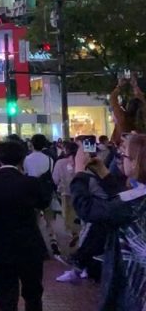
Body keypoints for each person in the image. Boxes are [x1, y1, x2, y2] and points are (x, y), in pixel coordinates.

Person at [72, 133, 146, 310]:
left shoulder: (132, 204)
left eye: (124, 156)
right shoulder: (137, 198)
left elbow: (87, 209)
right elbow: (122, 199)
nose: (121, 160)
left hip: (133, 288)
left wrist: (79, 172)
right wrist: (103, 173)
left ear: (135, 162)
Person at [0, 139, 52, 311]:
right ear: (22, 159)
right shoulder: (31, 183)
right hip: (29, 245)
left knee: (6, 296)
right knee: (33, 294)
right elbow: (43, 202)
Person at [24, 133, 61, 258]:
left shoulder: (27, 159)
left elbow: (26, 174)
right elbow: (53, 177)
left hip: (32, 193)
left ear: (32, 144)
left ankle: (40, 247)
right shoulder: (50, 159)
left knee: (35, 222)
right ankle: (54, 242)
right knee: (50, 220)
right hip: (47, 193)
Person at [53, 140, 81, 248]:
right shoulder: (81, 161)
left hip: (65, 193)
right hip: (80, 192)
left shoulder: (60, 163)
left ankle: (73, 233)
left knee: (67, 216)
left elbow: (55, 179)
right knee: (79, 214)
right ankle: (79, 234)